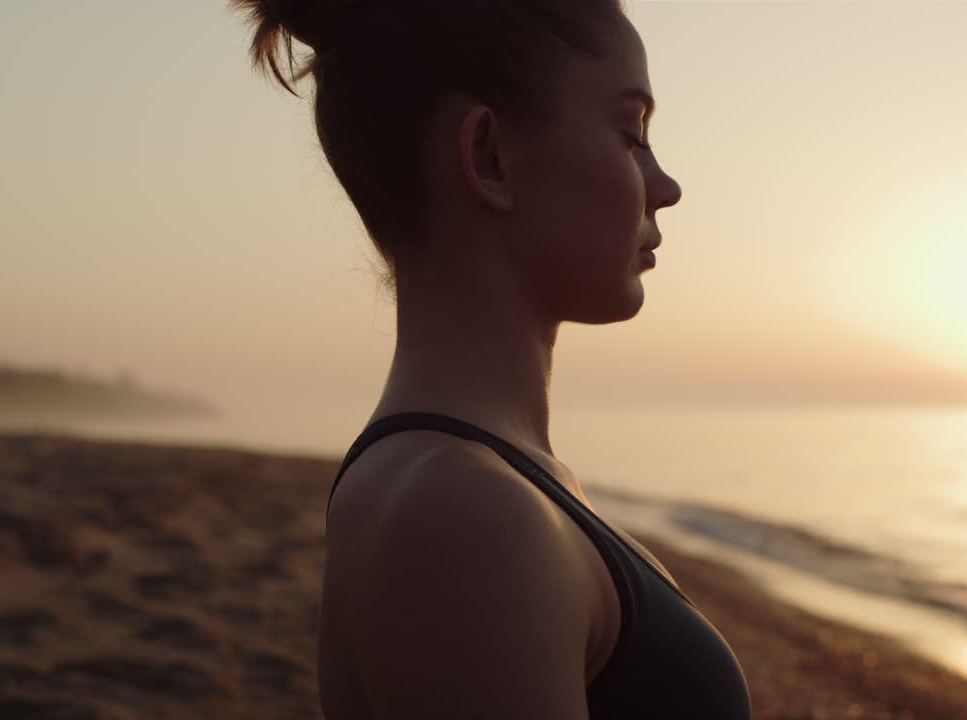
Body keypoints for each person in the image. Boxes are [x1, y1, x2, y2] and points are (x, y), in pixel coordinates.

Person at [231, 0, 751, 716]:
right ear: (489, 157)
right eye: (631, 132)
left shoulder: (479, 482)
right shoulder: (464, 514)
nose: (666, 186)